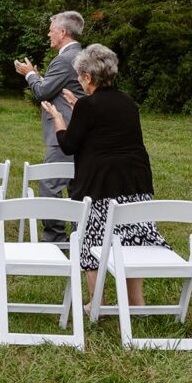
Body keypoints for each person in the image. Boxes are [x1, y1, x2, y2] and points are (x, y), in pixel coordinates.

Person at [41, 44, 169, 306]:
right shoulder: (128, 102)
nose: (79, 80)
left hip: (99, 185)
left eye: (79, 76)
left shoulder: (89, 106)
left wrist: (58, 120)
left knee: (91, 240)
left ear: (88, 77)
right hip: (135, 182)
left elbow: (69, 145)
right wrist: (81, 108)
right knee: (133, 238)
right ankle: (136, 301)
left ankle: (96, 301)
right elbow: (106, 128)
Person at [14, 11, 85, 242]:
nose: (48, 33)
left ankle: (56, 239)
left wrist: (30, 75)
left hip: (63, 130)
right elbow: (57, 87)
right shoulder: (80, 55)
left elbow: (43, 92)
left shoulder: (65, 59)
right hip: (80, 129)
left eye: (51, 29)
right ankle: (80, 235)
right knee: (77, 185)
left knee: (50, 184)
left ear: (63, 32)